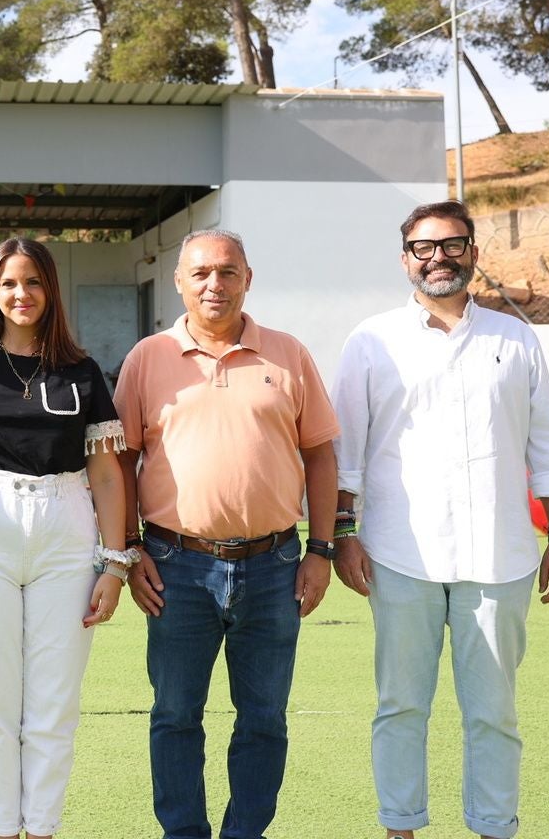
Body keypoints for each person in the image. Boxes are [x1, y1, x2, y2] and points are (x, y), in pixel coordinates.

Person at [331, 201, 549, 839]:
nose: (438, 257)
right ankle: (400, 827)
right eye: (423, 247)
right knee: (401, 707)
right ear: (405, 258)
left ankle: (494, 827)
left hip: (500, 558)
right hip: (396, 554)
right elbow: (347, 454)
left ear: (473, 250)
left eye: (452, 244)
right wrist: (340, 536)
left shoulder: (516, 338)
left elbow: (548, 447)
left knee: (494, 712)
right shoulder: (371, 340)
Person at [113, 228, 339, 839]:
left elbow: (320, 454)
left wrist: (321, 549)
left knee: (264, 717)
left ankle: (246, 832)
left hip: (275, 566)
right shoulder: (147, 358)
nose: (215, 284)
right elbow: (119, 463)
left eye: (228, 272)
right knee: (175, 715)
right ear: (180, 282)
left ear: (248, 278)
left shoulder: (288, 354)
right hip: (175, 565)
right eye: (202, 273)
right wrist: (130, 551)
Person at [0, 237, 130, 839]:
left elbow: (107, 472)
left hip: (66, 531)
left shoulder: (82, 370)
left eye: (34, 282)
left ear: (51, 291)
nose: (21, 294)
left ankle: (41, 829)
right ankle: (1, 830)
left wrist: (113, 566)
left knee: (54, 706)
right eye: (9, 283)